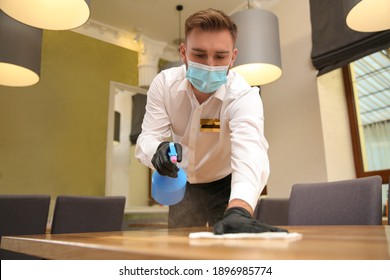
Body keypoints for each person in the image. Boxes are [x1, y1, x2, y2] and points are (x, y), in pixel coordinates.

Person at [136, 8, 286, 234]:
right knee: (179, 254)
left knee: (230, 253)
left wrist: (241, 207)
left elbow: (251, 149)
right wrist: (157, 150)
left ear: (233, 57)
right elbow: (147, 138)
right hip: (182, 185)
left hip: (224, 184)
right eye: (198, 54)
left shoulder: (243, 94)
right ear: (183, 52)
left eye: (220, 56)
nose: (209, 65)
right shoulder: (164, 85)